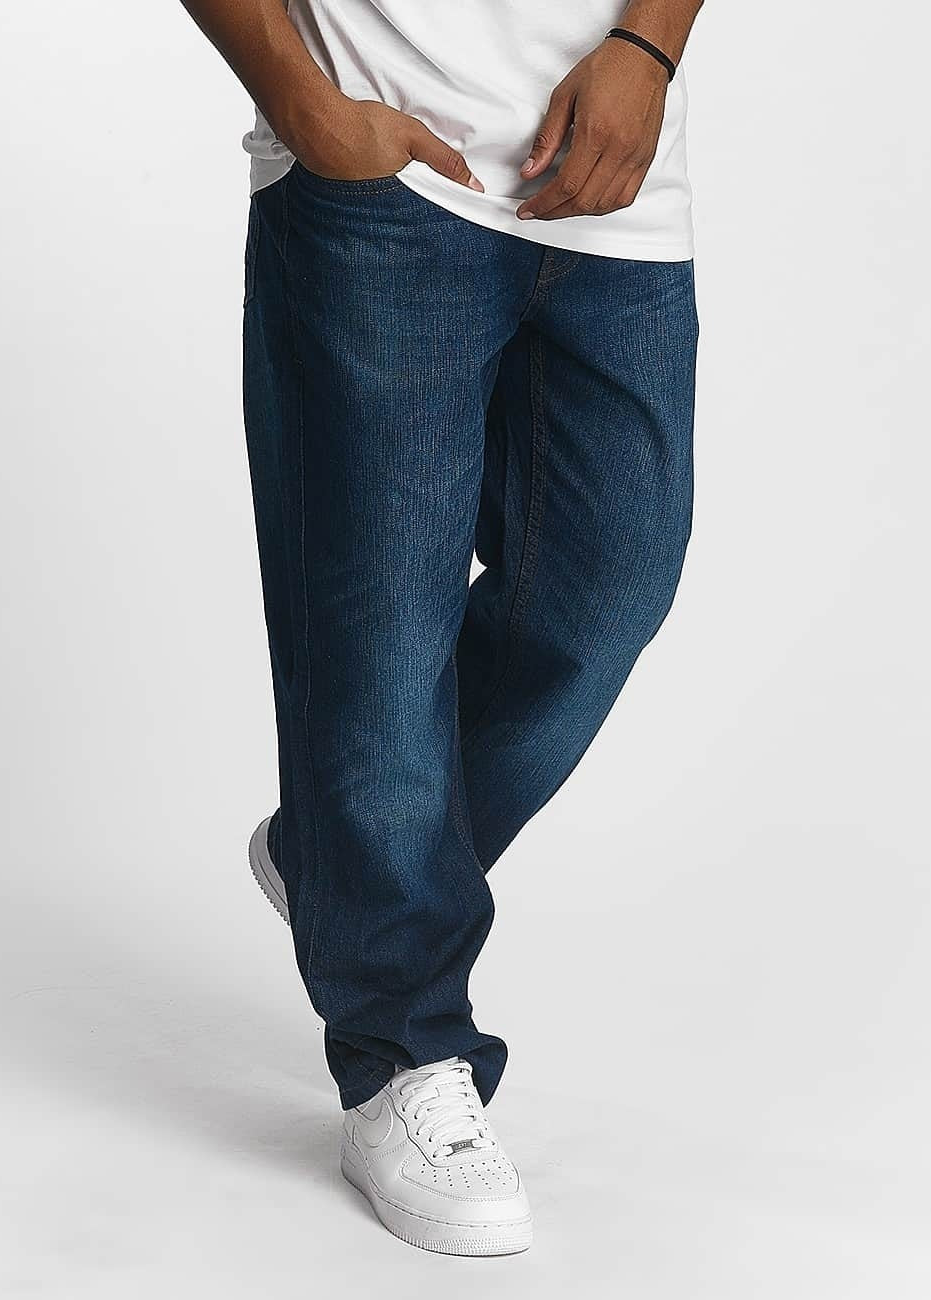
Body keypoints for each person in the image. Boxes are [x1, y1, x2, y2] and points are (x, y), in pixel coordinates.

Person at [180, 0, 705, 1256]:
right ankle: (399, 1050)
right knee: (378, 636)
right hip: (383, 176)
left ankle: (336, 861)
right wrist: (305, 107)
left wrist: (648, 50)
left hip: (611, 174)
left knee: (608, 586)